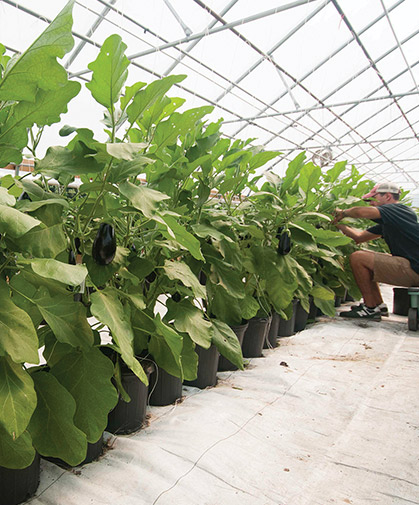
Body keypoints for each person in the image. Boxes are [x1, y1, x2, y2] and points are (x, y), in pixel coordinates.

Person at [332, 182, 419, 321]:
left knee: (358, 258)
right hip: (411, 267)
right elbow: (358, 237)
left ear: (388, 197)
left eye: (373, 199)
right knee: (368, 258)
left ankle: (370, 308)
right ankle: (378, 305)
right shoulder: (390, 220)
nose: (371, 203)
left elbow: (361, 212)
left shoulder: (398, 209)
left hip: (414, 268)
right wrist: (337, 223)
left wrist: (343, 213)